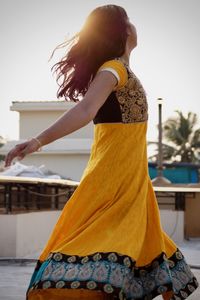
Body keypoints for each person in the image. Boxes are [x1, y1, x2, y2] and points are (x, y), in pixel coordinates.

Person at [5, 4, 199, 300]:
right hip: (115, 178)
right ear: (121, 31)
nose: (134, 25)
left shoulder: (121, 69)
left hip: (132, 179)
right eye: (128, 20)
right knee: (105, 241)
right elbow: (85, 109)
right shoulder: (113, 69)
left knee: (133, 244)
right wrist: (37, 141)